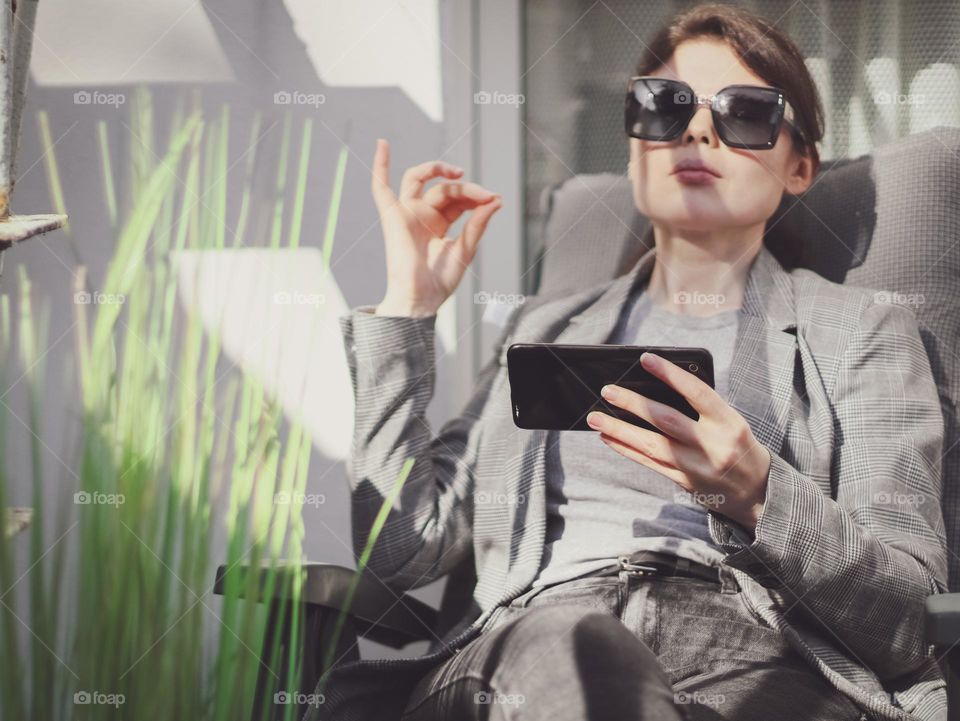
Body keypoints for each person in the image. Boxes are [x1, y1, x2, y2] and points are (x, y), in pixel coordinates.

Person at [308, 4, 948, 720]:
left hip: (755, 657)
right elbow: (402, 548)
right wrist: (407, 308)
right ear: (635, 142)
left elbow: (906, 619)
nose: (697, 130)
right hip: (537, 641)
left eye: (745, 113)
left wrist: (759, 493)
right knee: (576, 649)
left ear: (800, 165)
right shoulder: (545, 327)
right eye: (665, 105)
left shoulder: (861, 331)